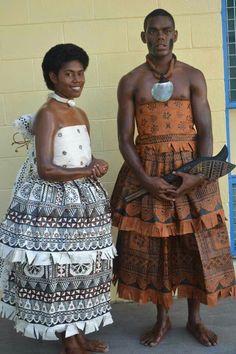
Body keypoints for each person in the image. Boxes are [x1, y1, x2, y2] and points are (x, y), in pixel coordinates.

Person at [111, 9, 236, 348]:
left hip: (192, 169)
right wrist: (147, 181)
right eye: (153, 31)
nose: (160, 37)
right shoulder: (131, 81)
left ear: (175, 35)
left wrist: (197, 175)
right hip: (148, 173)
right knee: (158, 247)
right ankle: (162, 319)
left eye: (167, 31)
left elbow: (206, 130)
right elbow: (125, 139)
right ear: (144, 36)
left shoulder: (192, 76)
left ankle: (195, 319)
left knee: (194, 244)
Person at [0, 43, 116, 354]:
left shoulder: (79, 112)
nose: (77, 80)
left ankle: (77, 335)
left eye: (81, 74)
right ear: (53, 77)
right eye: (69, 74)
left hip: (81, 204)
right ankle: (67, 342)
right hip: (53, 204)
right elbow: (46, 169)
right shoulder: (48, 114)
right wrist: (86, 170)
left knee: (83, 271)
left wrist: (97, 163)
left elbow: (81, 157)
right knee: (57, 269)